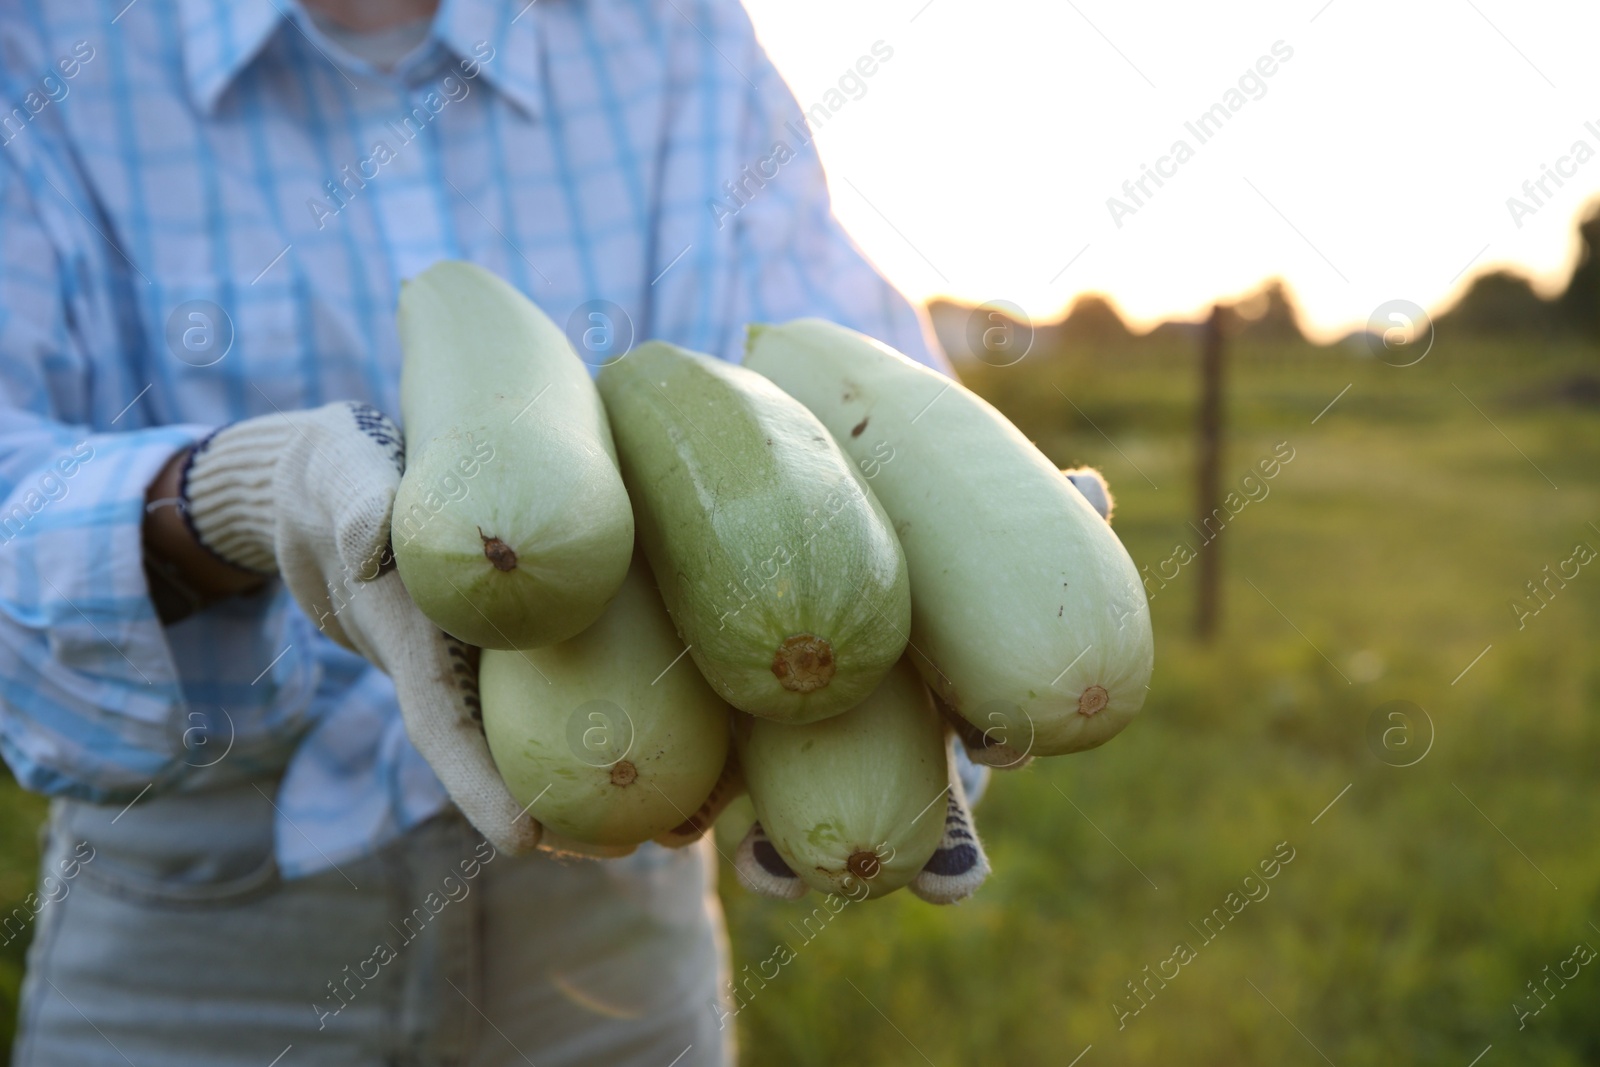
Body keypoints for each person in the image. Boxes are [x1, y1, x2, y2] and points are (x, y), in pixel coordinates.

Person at [0, 0, 991, 1063]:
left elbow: (820, 356)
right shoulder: (42, 44)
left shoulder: (679, 29)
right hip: (198, 928)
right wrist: (220, 495)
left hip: (621, 909)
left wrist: (962, 509)